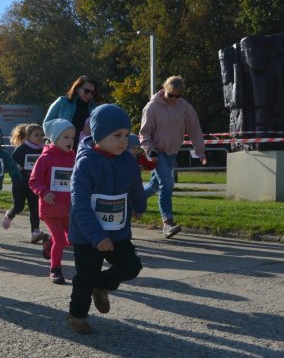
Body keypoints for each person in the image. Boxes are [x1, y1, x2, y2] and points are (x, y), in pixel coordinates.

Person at [67, 104, 146, 334]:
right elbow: (79, 204)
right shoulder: (85, 163)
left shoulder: (127, 160)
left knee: (131, 266)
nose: (124, 141)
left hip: (117, 229)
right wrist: (96, 236)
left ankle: (103, 285)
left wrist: (140, 205)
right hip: (87, 233)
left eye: (126, 134)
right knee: (86, 276)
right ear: (99, 135)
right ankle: (77, 315)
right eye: (117, 136)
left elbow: (135, 185)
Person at [139, 75, 207, 238]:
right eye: (171, 95)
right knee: (167, 184)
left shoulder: (184, 107)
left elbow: (194, 129)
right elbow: (144, 133)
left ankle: (129, 199)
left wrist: (201, 151)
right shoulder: (152, 107)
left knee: (155, 186)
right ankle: (167, 223)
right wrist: (150, 150)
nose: (174, 99)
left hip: (172, 152)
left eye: (178, 96)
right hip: (156, 152)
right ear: (165, 90)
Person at [29, 119, 76, 285]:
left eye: (72, 137)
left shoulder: (75, 158)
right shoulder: (45, 159)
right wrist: (44, 192)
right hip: (51, 209)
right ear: (55, 138)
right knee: (61, 241)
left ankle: (49, 241)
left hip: (69, 208)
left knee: (72, 240)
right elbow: (34, 180)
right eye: (66, 137)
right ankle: (55, 269)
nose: (70, 141)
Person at [3, 123, 47, 243]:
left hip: (35, 185)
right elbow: (11, 164)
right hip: (20, 184)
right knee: (19, 206)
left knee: (34, 209)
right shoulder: (22, 149)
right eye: (36, 135)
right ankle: (9, 215)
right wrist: (18, 167)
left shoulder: (44, 149)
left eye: (41, 135)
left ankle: (35, 232)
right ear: (28, 136)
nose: (39, 137)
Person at [43, 76, 103, 143]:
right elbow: (46, 126)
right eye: (87, 91)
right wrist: (62, 129)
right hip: (60, 149)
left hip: (84, 149)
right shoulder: (62, 102)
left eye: (92, 93)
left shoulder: (96, 108)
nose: (89, 94)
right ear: (77, 89)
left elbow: (102, 131)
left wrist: (92, 131)